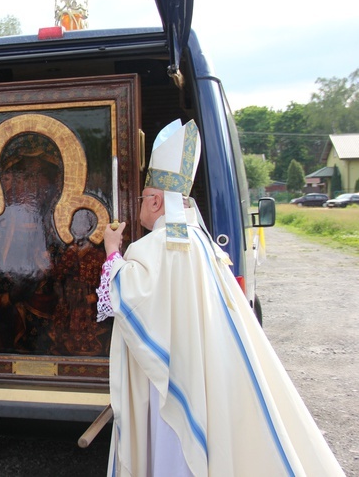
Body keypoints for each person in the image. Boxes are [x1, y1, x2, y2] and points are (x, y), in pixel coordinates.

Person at [95, 120, 343, 475]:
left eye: (143, 197)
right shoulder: (200, 241)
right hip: (204, 368)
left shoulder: (152, 247)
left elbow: (124, 297)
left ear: (155, 200)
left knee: (172, 444)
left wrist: (111, 253)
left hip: (170, 375)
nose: (141, 205)